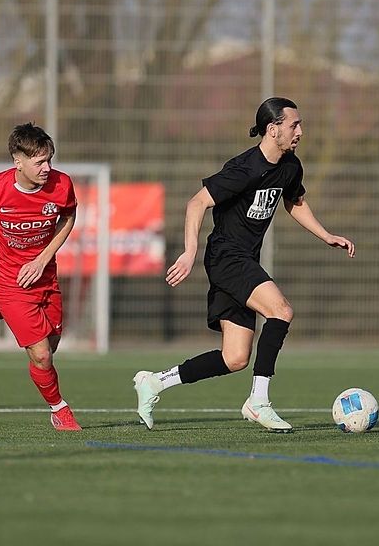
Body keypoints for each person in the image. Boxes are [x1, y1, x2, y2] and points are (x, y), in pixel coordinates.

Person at [132, 97, 355, 432]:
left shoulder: (290, 166)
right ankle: (258, 402)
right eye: (294, 125)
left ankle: (154, 382)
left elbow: (295, 201)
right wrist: (189, 251)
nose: (300, 131)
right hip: (226, 257)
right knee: (281, 310)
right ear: (272, 128)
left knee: (234, 358)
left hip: (243, 260)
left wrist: (325, 235)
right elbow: (197, 203)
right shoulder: (244, 168)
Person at [0, 123, 81, 431]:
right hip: (7, 277)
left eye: (50, 159)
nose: (47, 168)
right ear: (18, 161)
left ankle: (6, 310)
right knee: (41, 356)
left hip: (45, 275)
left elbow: (68, 216)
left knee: (50, 347)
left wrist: (42, 258)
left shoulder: (62, 185)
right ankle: (59, 409)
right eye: (39, 162)